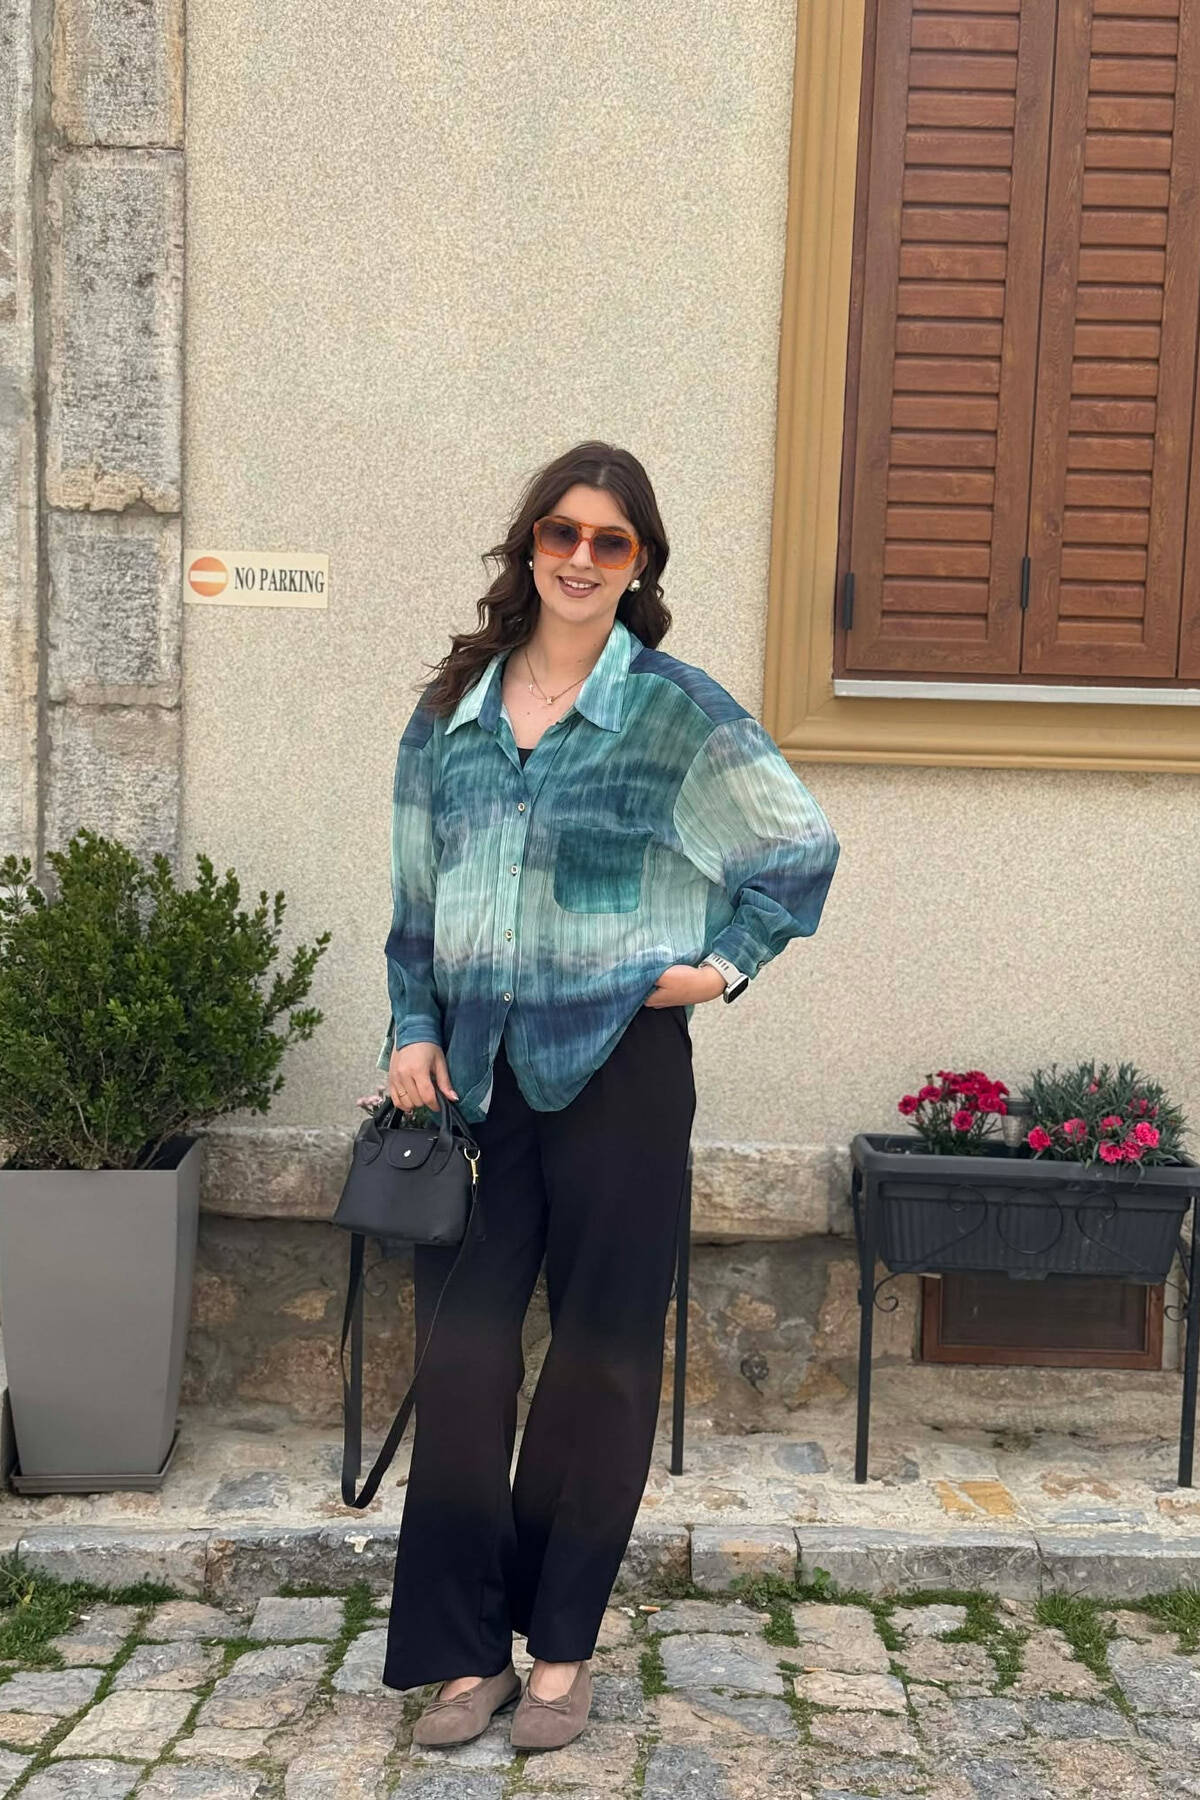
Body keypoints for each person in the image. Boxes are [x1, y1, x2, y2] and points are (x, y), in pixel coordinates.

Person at [375, 440, 839, 1752]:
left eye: (610, 541)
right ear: (528, 546)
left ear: (639, 565)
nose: (581, 558)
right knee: (463, 1367)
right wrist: (412, 1026)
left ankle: (562, 1653)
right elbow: (415, 899)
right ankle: (464, 1655)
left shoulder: (673, 713)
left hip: (622, 1077)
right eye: (561, 533)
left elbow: (798, 849)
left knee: (601, 1368)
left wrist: (714, 971)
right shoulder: (450, 713)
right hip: (471, 1089)